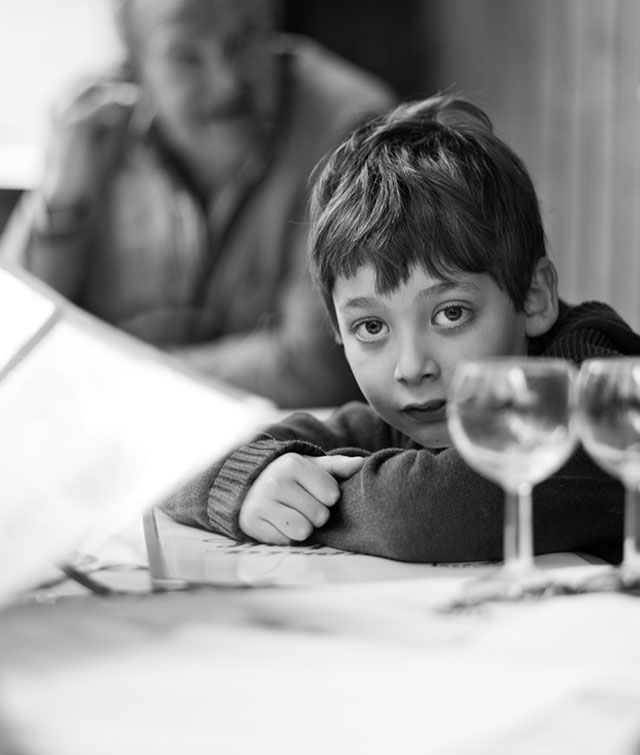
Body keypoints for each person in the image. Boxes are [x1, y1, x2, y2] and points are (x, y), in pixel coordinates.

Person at [163, 93, 640, 564]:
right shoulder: (415, 418)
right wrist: (249, 481)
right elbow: (169, 461)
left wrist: (300, 503)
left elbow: (426, 516)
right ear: (337, 329)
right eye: (371, 326)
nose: (411, 367)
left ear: (534, 297)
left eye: (451, 314)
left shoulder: (602, 408)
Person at [0, 0, 396, 408]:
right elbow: (15, 343)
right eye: (186, 57)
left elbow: (316, 367)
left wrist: (108, 380)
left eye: (245, 39)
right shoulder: (95, 128)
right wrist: (65, 198)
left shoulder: (348, 128)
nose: (226, 81)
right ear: (134, 63)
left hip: (282, 456)